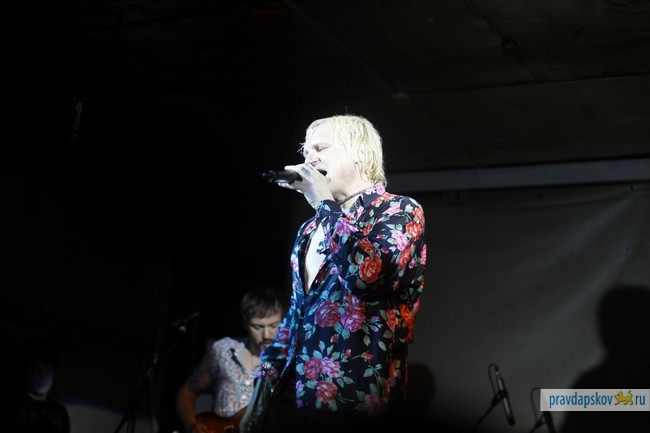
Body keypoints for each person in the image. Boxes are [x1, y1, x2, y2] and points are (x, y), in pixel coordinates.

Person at [248, 114, 427, 433]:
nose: (309, 160)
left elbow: (366, 277)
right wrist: (261, 391)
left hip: (352, 399)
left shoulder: (399, 211)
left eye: (320, 148)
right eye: (306, 152)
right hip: (289, 398)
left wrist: (325, 205)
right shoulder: (310, 228)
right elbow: (297, 315)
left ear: (360, 153)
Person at [175, 284, 287, 433]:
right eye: (258, 327)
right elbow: (186, 393)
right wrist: (192, 424)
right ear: (245, 323)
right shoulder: (222, 351)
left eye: (273, 325)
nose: (266, 335)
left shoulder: (289, 362)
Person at [4, 336, 70, 433]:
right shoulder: (10, 406)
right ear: (23, 371)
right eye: (36, 368)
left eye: (48, 369)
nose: (43, 374)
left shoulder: (59, 412)